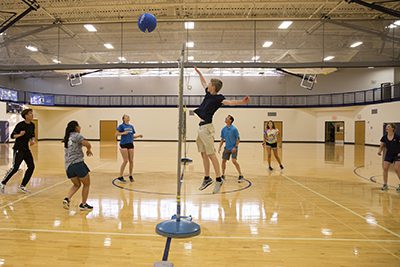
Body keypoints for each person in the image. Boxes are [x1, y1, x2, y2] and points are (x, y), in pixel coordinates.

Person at [194, 67, 250, 194]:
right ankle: (207, 178)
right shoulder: (208, 94)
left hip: (207, 128)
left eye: (209, 84)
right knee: (203, 153)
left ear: (213, 87)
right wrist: (199, 73)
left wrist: (242, 102)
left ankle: (218, 178)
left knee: (210, 154)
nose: (207, 85)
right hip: (201, 127)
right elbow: (203, 82)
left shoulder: (218, 98)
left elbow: (229, 102)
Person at [1, 109, 35, 194]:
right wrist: (20, 134)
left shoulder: (32, 125)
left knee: (31, 167)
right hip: (18, 149)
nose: (32, 115)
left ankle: (22, 186)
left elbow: (32, 135)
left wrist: (32, 140)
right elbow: (12, 136)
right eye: (30, 113)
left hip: (26, 149)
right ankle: (2, 183)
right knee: (15, 168)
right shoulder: (20, 125)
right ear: (26, 116)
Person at [62, 121, 94, 211]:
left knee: (76, 184)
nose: (80, 127)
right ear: (76, 127)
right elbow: (87, 144)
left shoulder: (67, 137)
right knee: (86, 184)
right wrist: (88, 149)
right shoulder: (77, 135)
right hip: (78, 164)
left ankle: (67, 198)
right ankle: (83, 204)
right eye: (79, 126)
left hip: (68, 166)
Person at [115, 114, 143, 183]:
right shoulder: (121, 126)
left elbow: (132, 136)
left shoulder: (131, 126)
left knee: (131, 161)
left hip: (130, 144)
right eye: (126, 117)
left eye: (128, 117)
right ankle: (120, 176)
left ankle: (130, 175)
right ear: (123, 119)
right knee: (125, 160)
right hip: (123, 144)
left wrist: (138, 136)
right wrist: (123, 133)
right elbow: (116, 134)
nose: (128, 117)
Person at [218, 115, 244, 183]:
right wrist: (220, 147)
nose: (225, 119)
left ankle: (241, 175)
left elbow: (238, 139)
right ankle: (223, 175)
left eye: (227, 118)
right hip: (227, 148)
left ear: (230, 120)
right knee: (223, 161)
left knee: (234, 161)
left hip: (233, 148)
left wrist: (235, 147)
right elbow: (222, 139)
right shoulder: (223, 129)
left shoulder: (234, 129)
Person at [378, 123, 400, 192]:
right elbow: (381, 145)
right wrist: (379, 151)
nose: (386, 127)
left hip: (397, 155)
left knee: (396, 169)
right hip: (388, 155)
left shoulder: (397, 136)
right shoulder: (384, 137)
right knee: (385, 168)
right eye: (386, 126)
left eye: (388, 126)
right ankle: (385, 185)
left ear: (392, 128)